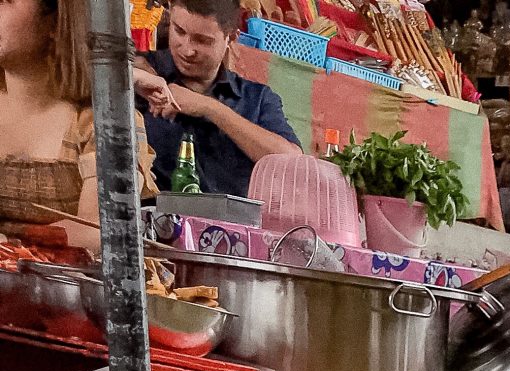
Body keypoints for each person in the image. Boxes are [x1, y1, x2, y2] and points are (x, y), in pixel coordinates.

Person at [0, 0, 154, 246]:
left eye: (5, 2)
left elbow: (99, 229)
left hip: (73, 282)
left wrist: (11, 243)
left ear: (55, 22)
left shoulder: (104, 120)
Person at [133, 0, 298, 198]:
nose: (187, 50)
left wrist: (209, 107)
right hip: (152, 222)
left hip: (230, 226)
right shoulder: (142, 74)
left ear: (231, 37)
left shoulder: (257, 98)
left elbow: (292, 164)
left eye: (202, 41)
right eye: (179, 31)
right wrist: (138, 77)